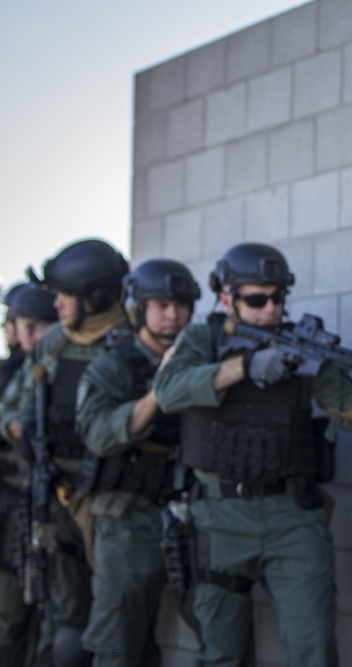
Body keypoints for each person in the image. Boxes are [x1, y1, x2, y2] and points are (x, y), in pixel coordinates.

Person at [153, 242, 352, 667]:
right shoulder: (203, 337)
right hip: (219, 516)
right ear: (226, 297)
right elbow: (168, 391)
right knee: (222, 652)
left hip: (292, 514)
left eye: (277, 297)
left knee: (314, 647)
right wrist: (244, 367)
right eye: (256, 299)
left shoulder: (302, 348)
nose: (270, 308)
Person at [7, 238, 131, 667]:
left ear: (96, 296)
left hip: (113, 500)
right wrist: (24, 431)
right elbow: (24, 400)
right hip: (55, 493)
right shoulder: (54, 342)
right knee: (65, 622)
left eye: (64, 296)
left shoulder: (129, 342)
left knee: (119, 623)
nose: (56, 306)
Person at [73, 258, 203, 665]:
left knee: (219, 630)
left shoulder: (201, 357)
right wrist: (156, 396)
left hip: (194, 512)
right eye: (161, 305)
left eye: (181, 305)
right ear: (139, 308)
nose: (173, 315)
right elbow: (96, 433)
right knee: (118, 643)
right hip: (129, 517)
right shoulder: (116, 364)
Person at [1, 283, 58, 667]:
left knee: (55, 622)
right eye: (29, 327)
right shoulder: (7, 376)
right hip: (10, 510)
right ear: (11, 329)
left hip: (53, 505)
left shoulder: (61, 367)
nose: (37, 337)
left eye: (45, 327)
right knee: (9, 618)